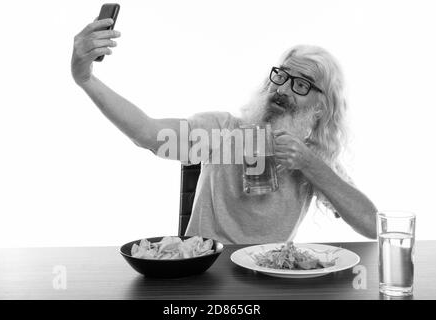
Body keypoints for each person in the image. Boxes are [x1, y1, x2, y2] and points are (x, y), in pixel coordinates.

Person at [71, 18, 377, 244]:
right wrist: (85, 78)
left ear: (321, 107)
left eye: (300, 85)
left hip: (269, 278)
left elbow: (373, 226)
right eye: (281, 77)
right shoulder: (221, 131)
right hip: (204, 273)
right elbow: (147, 134)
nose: (282, 90)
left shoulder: (315, 159)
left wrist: (310, 163)